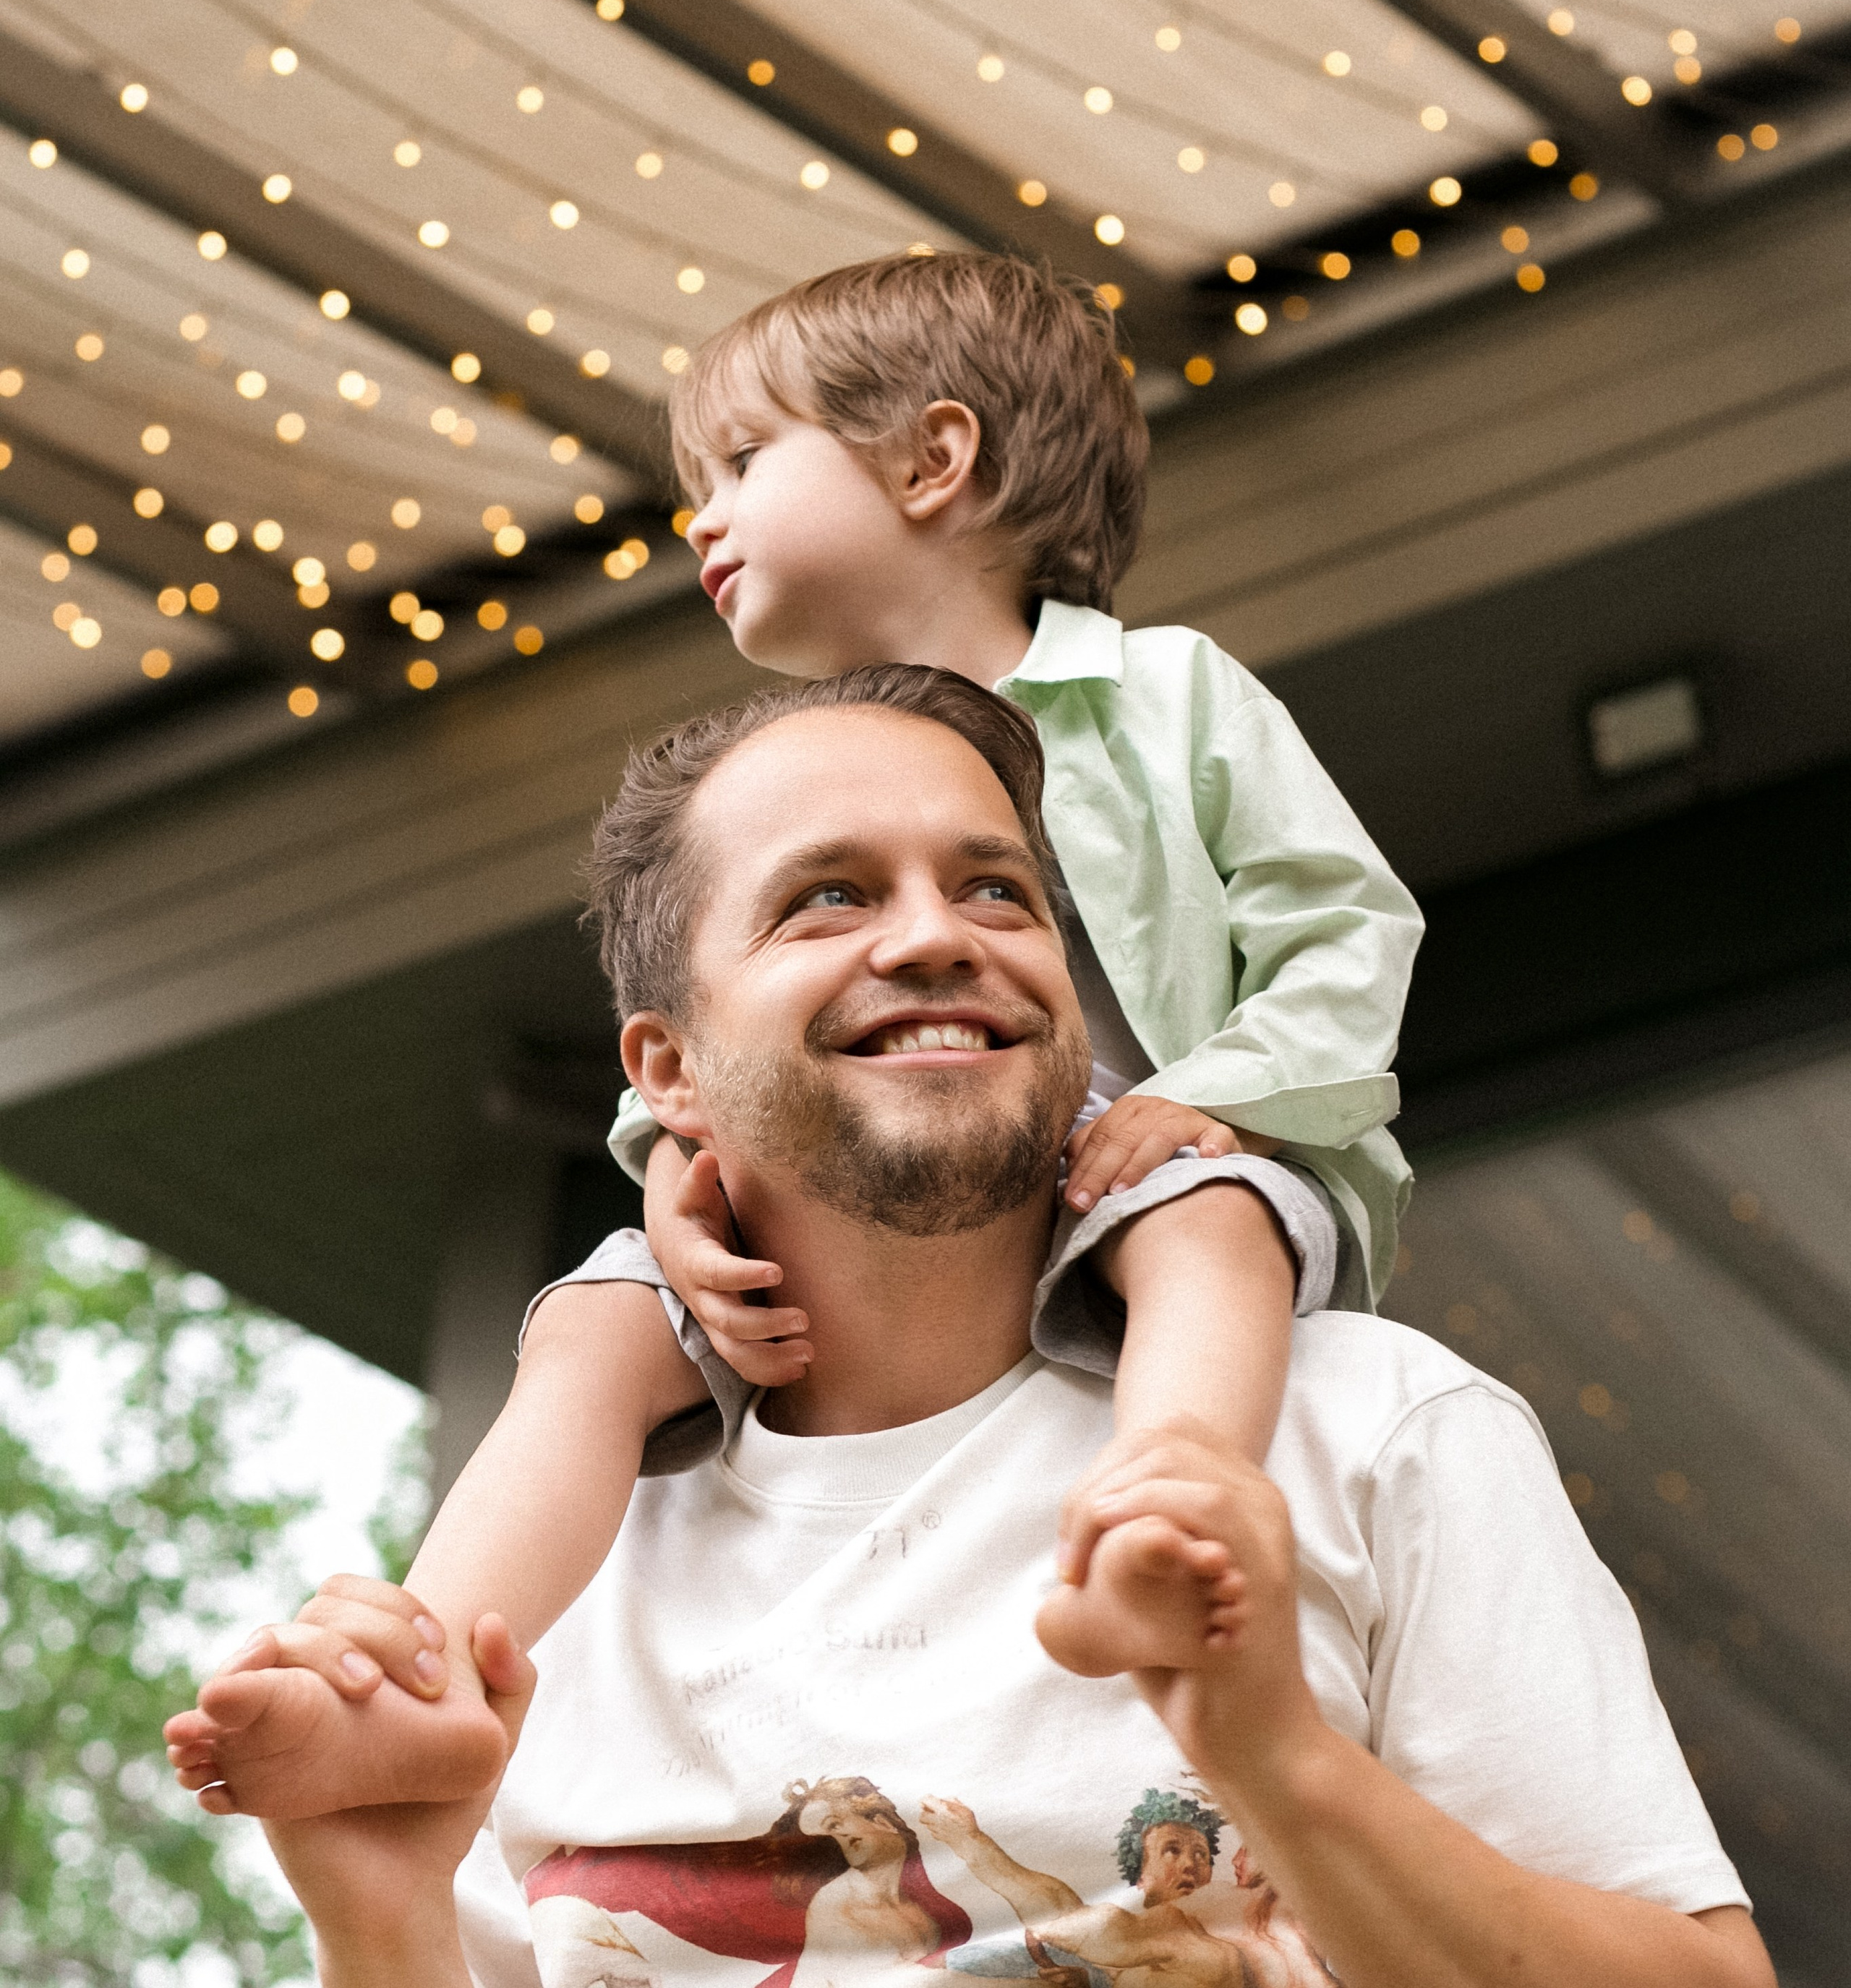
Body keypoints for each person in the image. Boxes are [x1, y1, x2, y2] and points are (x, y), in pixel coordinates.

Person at [169, 668, 1775, 1988]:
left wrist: (1274, 1757)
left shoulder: (1366, 1427)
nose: (938, 936)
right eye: (829, 897)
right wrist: (372, 1903)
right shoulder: (552, 1572)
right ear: (669, 1073)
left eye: (993, 887)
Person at [161, 255, 1423, 1826]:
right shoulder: (765, 781)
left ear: (932, 460)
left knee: (1209, 1227)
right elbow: (709, 1035)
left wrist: (1209, 1104)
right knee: (589, 1327)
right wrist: (677, 1184)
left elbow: (1346, 933)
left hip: (1150, 1148)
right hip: (852, 1197)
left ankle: (1163, 1522)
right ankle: (414, 1669)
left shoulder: (1167, 695)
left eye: (743, 462)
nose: (697, 515)